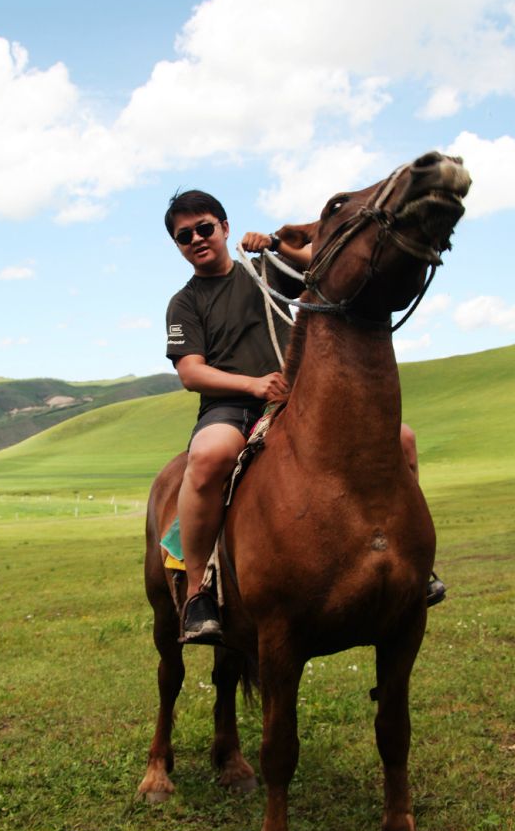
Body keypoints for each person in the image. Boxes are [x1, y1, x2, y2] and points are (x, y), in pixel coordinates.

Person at [165, 190, 444, 646]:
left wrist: (276, 243)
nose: (196, 238)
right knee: (210, 457)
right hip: (231, 406)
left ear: (225, 228)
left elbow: (324, 257)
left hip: (298, 399)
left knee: (403, 439)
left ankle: (412, 558)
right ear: (177, 245)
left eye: (205, 227)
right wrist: (253, 385)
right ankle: (199, 590)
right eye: (184, 235)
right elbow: (191, 372)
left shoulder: (266, 273)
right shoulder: (185, 303)